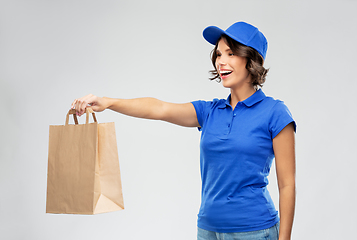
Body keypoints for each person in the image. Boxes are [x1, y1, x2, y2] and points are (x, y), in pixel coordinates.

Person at [71, 21, 296, 240]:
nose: (221, 62)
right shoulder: (210, 111)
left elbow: (287, 185)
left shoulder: (274, 112)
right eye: (218, 54)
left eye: (230, 53)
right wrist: (107, 102)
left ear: (252, 59)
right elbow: (159, 108)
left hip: (254, 231)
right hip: (208, 229)